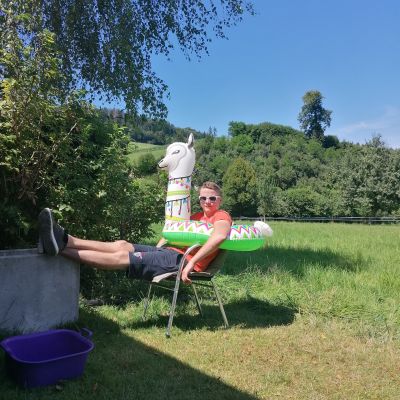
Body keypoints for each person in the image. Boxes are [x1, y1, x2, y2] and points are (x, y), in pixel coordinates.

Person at [38, 182, 232, 284]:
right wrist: (157, 248)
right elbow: (172, 232)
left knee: (123, 257)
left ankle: (60, 249)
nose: (207, 202)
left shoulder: (221, 216)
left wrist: (190, 264)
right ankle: (65, 239)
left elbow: (219, 236)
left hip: (182, 261)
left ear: (220, 200)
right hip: (169, 253)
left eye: (212, 198)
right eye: (203, 198)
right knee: (122, 245)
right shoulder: (195, 216)